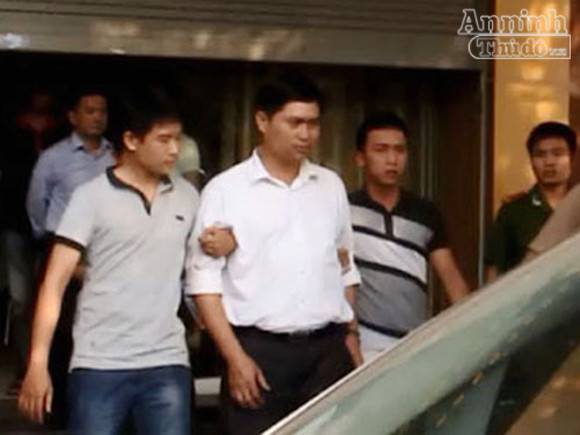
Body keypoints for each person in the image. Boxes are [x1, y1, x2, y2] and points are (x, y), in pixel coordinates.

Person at [18, 89, 229, 434]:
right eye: (163, 140)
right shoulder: (90, 198)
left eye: (177, 139)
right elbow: (54, 283)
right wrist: (38, 363)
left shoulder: (187, 196)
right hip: (99, 364)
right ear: (131, 140)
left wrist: (226, 242)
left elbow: (200, 265)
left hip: (167, 362)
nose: (175, 150)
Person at [188, 73, 362, 435]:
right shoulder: (226, 190)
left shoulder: (330, 185)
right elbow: (204, 284)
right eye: (294, 122)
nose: (306, 134)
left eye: (313, 124)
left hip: (328, 351)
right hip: (258, 352)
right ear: (262, 121)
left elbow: (345, 267)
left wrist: (350, 337)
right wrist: (234, 358)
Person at [349, 112, 469, 361]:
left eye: (400, 150)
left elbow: (451, 278)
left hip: (415, 342)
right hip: (363, 342)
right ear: (360, 158)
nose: (392, 159)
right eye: (381, 150)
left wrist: (472, 329)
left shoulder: (425, 213)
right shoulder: (345, 210)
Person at [0, 89, 59, 393]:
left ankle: (54, 369)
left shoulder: (62, 130)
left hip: (57, 229)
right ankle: (27, 368)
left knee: (56, 297)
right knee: (22, 300)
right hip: (15, 222)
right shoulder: (10, 130)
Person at [486, 121, 576, 279]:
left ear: (572, 158)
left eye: (558, 154)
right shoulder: (513, 212)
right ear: (531, 161)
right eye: (540, 155)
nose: (549, 162)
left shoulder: (576, 203)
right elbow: (495, 271)